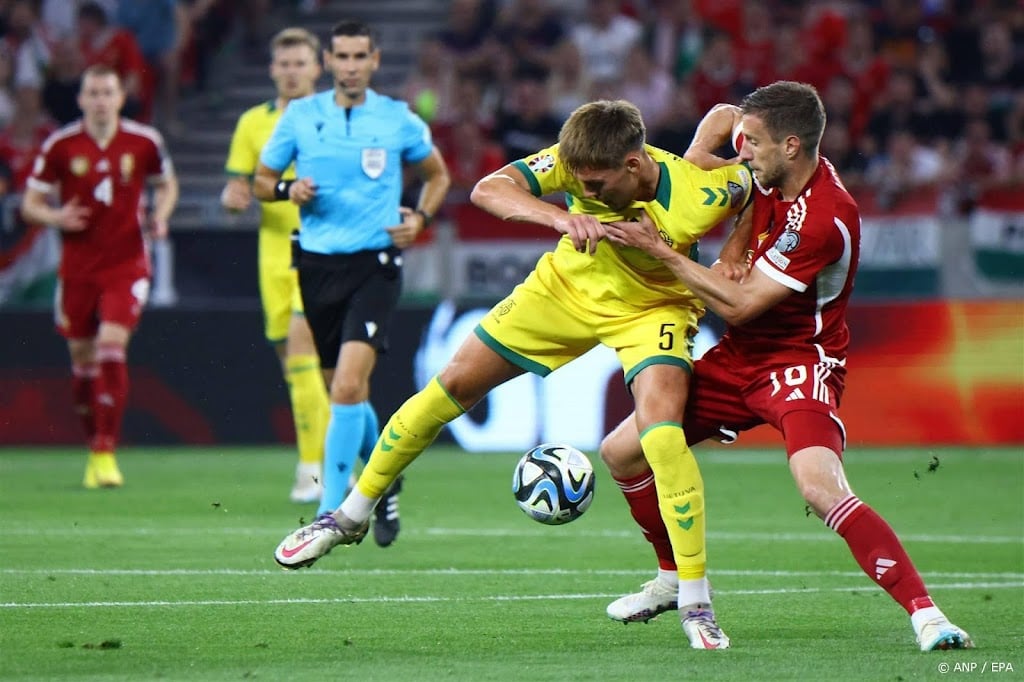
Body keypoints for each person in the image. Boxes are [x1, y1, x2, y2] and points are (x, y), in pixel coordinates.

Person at [273, 98, 755, 651]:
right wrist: (558, 215)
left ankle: (695, 599)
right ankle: (348, 516)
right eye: (581, 184)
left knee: (661, 434)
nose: (587, 193)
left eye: (596, 185)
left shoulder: (700, 195)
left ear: (633, 162)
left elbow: (759, 181)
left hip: (654, 311)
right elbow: (488, 188)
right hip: (562, 291)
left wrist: (737, 243)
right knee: (451, 385)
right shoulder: (579, 163)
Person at [600, 80, 974, 651]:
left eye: (751, 144)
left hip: (798, 361)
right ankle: (672, 578)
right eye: (743, 142)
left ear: (792, 146)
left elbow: (743, 301)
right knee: (621, 451)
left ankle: (929, 616)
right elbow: (722, 118)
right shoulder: (764, 166)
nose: (740, 153)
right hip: (737, 358)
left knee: (819, 487)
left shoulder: (826, 215)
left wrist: (661, 251)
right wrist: (733, 230)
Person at [253, 20, 451, 547]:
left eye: (359, 55)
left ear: (375, 59)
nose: (350, 65)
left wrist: (420, 221)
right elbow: (260, 182)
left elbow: (438, 175)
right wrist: (289, 188)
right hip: (317, 267)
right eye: (341, 56)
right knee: (341, 391)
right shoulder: (301, 116)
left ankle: (330, 511)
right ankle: (383, 482)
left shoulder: (395, 119)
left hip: (376, 265)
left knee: (345, 386)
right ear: (330, 61)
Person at [20, 64, 178, 488]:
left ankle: (107, 450)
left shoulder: (144, 141)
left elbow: (167, 184)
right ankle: (94, 446)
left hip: (127, 264)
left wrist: (160, 217)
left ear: (120, 97)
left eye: (108, 92)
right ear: (81, 99)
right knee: (82, 364)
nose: (101, 100)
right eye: (94, 93)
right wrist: (56, 215)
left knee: (111, 347)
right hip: (77, 269)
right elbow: (30, 203)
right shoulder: (61, 145)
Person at [220, 27, 330, 504]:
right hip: (271, 253)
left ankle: (313, 470)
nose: (291, 71)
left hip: (321, 249)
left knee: (306, 352)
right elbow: (236, 190)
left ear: (316, 67)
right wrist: (232, 198)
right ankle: (342, 455)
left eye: (299, 63)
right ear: (272, 70)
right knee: (297, 368)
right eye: (283, 64)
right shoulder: (252, 123)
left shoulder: (333, 119)